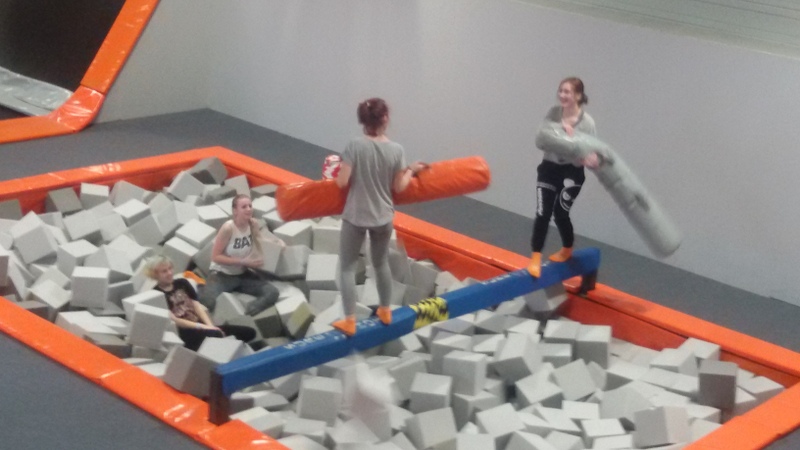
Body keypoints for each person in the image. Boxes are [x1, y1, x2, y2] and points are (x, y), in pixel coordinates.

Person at [331, 98, 427, 336]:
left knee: (347, 267)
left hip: (356, 215)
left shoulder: (354, 146)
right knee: (380, 262)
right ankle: (385, 310)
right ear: (385, 118)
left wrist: (335, 172)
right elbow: (400, 187)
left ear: (362, 121)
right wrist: (411, 170)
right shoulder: (396, 150)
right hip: (383, 217)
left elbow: (342, 182)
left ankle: (350, 320)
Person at [528, 77, 600, 277]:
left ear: (578, 95)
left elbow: (591, 150)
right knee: (542, 212)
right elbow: (541, 139)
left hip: (572, 172)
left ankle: (567, 248)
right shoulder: (553, 113)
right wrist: (562, 132)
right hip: (549, 168)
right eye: (561, 91)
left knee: (560, 213)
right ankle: (535, 256)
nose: (562, 95)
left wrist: (590, 157)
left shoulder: (587, 122)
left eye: (567, 92)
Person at [145, 255, 256, 352]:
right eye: (164, 271)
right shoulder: (156, 294)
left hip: (203, 328)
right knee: (217, 336)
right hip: (187, 334)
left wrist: (210, 326)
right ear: (155, 274)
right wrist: (203, 327)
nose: (169, 273)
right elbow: (175, 320)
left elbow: (196, 306)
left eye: (170, 268)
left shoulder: (182, 283)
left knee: (249, 332)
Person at [200, 194, 282, 314]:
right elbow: (215, 257)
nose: (249, 209)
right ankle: (200, 288)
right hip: (222, 275)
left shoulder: (253, 224)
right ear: (235, 211)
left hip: (242, 274)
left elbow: (261, 241)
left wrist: (278, 243)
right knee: (208, 302)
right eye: (244, 207)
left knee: (272, 292)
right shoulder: (228, 228)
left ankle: (246, 317)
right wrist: (243, 261)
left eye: (250, 206)